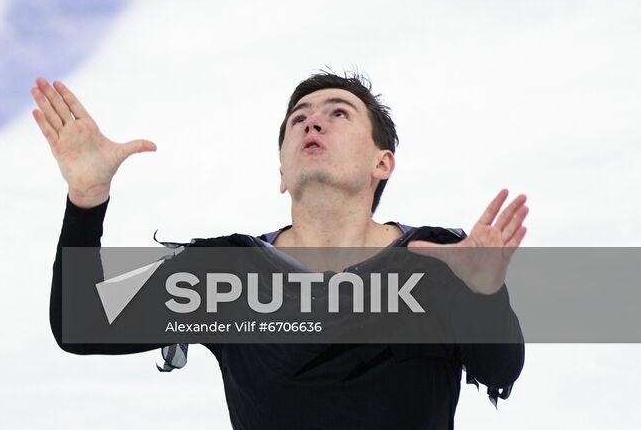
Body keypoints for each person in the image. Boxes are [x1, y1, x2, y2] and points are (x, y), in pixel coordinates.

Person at [33, 70, 527, 429]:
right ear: (282, 174)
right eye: (299, 119)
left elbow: (499, 370)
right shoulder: (227, 274)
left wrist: (485, 295)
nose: (313, 124)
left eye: (338, 113)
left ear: (383, 163)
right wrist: (86, 201)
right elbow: (80, 326)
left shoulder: (434, 259)